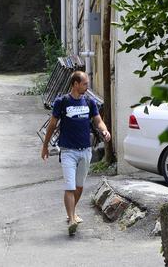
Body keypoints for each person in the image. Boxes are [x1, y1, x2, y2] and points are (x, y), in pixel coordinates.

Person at [41, 70, 110, 236]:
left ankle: (72, 212)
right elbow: (52, 125)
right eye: (85, 83)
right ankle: (72, 219)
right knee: (70, 186)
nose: (87, 86)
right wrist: (45, 146)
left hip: (85, 150)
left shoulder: (89, 101)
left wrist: (105, 130)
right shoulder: (62, 102)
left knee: (79, 186)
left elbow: (98, 120)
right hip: (68, 151)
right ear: (75, 84)